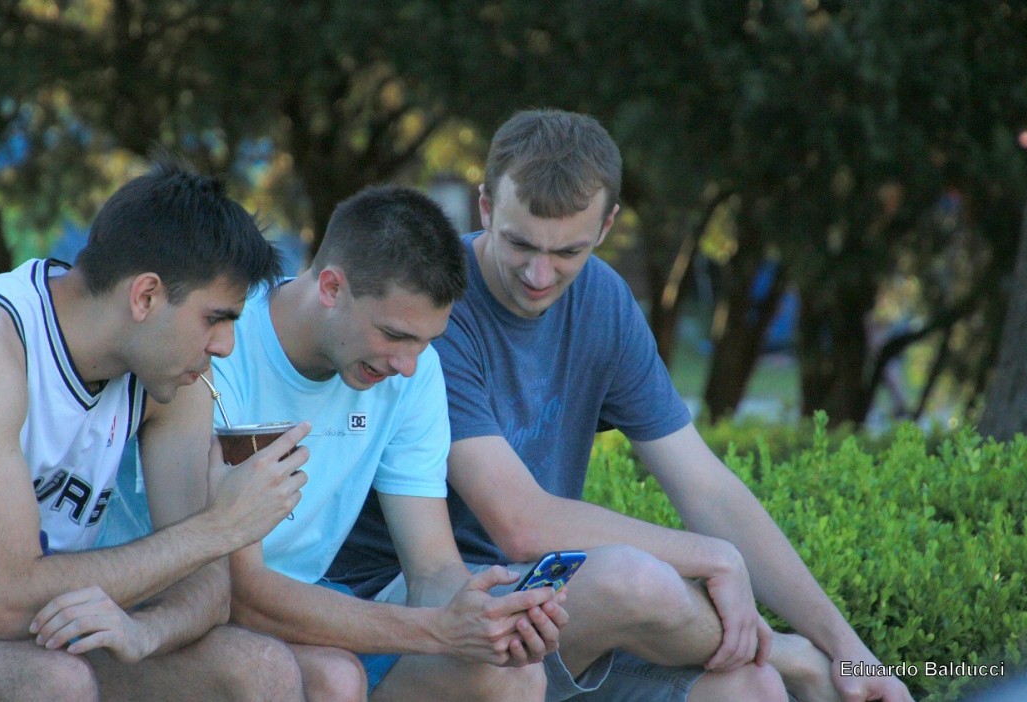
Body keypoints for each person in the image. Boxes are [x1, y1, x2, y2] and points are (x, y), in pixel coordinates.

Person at [331, 110, 915, 702]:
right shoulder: (435, 305)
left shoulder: (604, 302)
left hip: (546, 611)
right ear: (486, 207)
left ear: (608, 224)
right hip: (415, 610)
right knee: (633, 581)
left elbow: (708, 490)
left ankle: (797, 663)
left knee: (748, 688)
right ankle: (790, 655)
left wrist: (851, 653)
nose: (539, 273)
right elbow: (519, 521)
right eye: (519, 242)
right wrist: (715, 560)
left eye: (567, 251)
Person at [0, 156, 315, 701]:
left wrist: (144, 631)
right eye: (215, 318)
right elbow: (8, 601)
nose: (225, 345)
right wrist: (221, 528)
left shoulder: (172, 378)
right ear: (145, 296)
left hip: (7, 637)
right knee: (54, 683)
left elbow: (206, 589)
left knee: (259, 668)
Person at [208, 185, 569, 702]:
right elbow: (242, 591)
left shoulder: (414, 373)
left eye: (425, 341)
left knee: (514, 676)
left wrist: (485, 613)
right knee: (334, 679)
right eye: (394, 335)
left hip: (308, 597)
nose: (406, 364)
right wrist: (438, 631)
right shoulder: (224, 344)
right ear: (331, 287)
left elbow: (431, 567)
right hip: (200, 596)